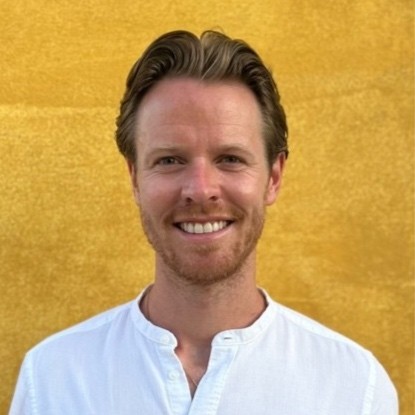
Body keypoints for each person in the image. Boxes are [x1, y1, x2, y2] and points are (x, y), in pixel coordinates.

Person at [10, 30, 398, 415]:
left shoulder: (353, 386)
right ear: (135, 179)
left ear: (273, 177)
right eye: (169, 160)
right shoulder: (52, 379)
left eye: (230, 159)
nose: (200, 190)